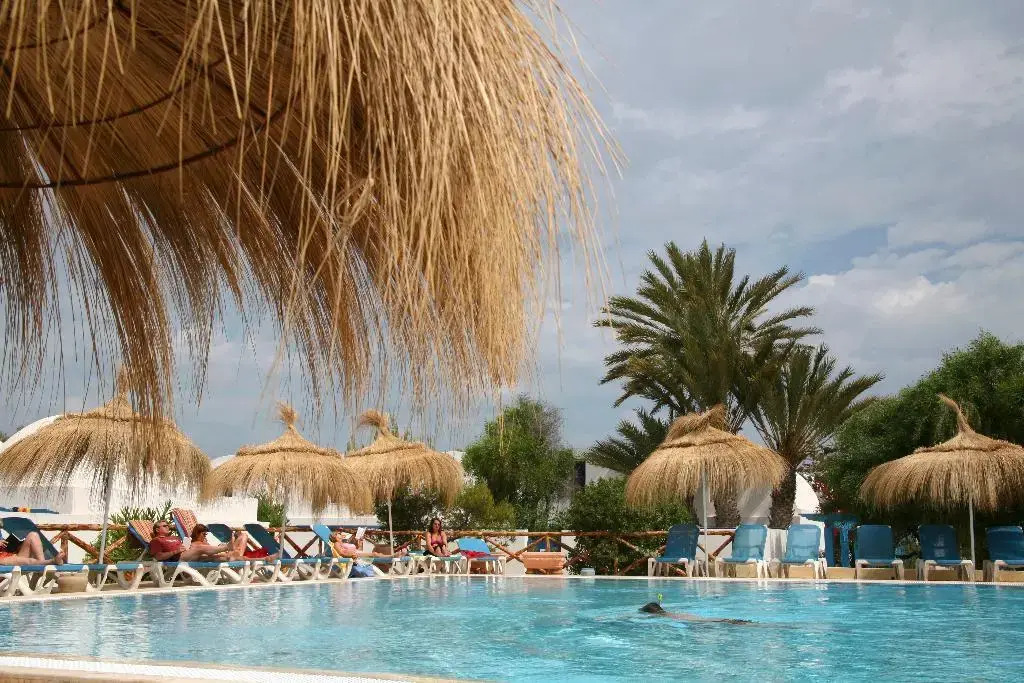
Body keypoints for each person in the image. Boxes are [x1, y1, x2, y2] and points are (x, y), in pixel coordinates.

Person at [149, 520, 238, 563]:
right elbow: (158, 557)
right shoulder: (156, 540)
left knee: (216, 557)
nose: (168, 527)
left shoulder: (174, 537)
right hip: (178, 558)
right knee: (198, 547)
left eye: (168, 525)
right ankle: (227, 547)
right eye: (165, 526)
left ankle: (231, 559)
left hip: (186, 553)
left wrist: (187, 544)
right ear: (157, 529)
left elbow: (184, 546)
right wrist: (176, 551)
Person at [0, 521, 66, 566]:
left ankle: (41, 565)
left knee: (33, 535)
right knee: (27, 561)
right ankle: (51, 562)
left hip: (9, 554)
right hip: (2, 560)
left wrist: (17, 545)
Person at [639, 602, 754, 625]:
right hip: (703, 619)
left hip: (702, 622)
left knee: (727, 622)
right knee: (727, 621)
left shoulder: (665, 617)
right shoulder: (671, 613)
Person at [329, 530, 407, 559]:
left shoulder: (343, 543)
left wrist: (359, 543)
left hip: (356, 553)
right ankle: (392, 556)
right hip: (354, 555)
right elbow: (341, 553)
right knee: (374, 554)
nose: (341, 534)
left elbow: (357, 549)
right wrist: (351, 556)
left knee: (375, 554)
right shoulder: (336, 543)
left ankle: (394, 556)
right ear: (335, 536)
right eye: (339, 534)